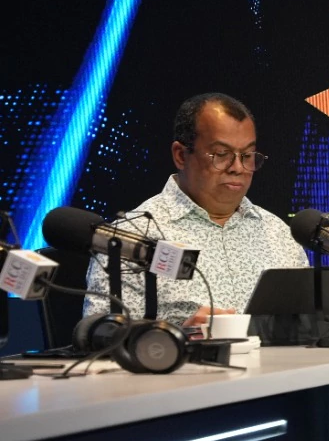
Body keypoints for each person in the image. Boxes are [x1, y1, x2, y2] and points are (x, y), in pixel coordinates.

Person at [83, 92, 307, 328]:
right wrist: (180, 337)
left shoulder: (279, 235)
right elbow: (102, 335)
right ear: (181, 155)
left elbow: (308, 327)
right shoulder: (131, 238)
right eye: (221, 155)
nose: (238, 168)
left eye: (247, 155)